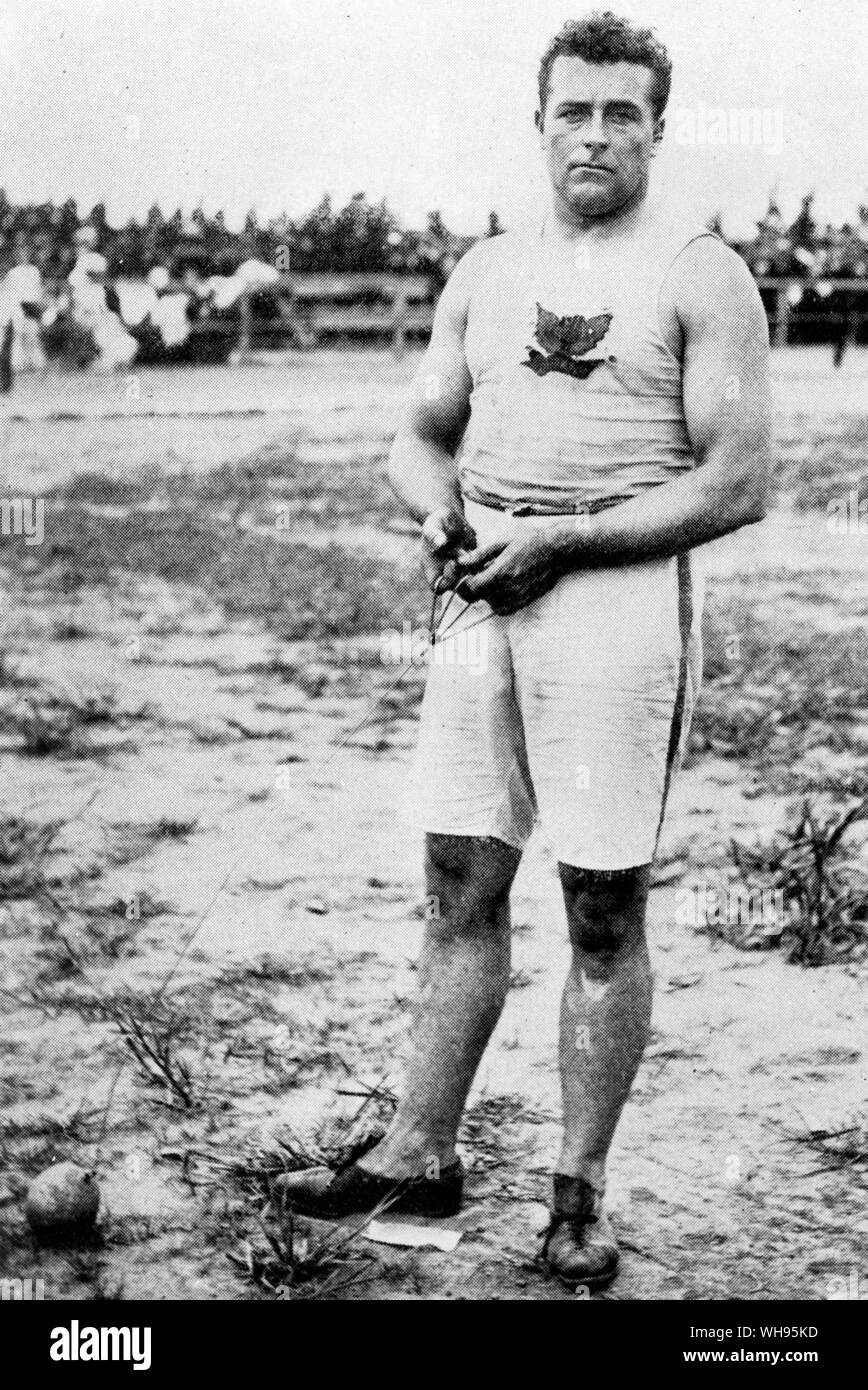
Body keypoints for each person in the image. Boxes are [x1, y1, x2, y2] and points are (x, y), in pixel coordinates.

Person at [281, 10, 772, 1291]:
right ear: (539, 121)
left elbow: (737, 484)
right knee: (458, 884)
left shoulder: (697, 271)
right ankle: (417, 1151)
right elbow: (418, 434)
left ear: (658, 129)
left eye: (623, 112)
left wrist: (566, 539)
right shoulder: (486, 270)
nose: (596, 133)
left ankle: (575, 1196)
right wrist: (439, 511)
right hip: (479, 600)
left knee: (601, 908)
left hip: (611, 605)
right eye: (575, 109)